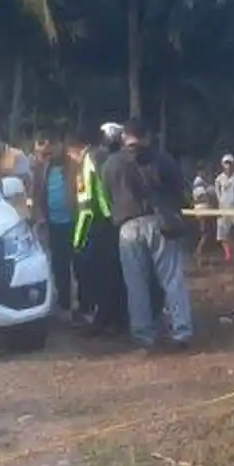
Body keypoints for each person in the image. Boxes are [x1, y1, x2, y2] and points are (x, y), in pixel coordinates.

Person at [109, 118, 193, 352]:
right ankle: (181, 331)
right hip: (160, 222)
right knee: (172, 279)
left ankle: (143, 337)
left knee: (135, 284)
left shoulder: (112, 163)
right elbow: (179, 189)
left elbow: (108, 193)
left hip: (127, 226)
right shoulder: (162, 159)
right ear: (146, 136)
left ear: (124, 136)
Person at [72, 122, 127, 335]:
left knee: (99, 277)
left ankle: (101, 321)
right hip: (117, 222)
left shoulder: (89, 160)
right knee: (116, 275)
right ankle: (118, 320)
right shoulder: (116, 158)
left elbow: (86, 206)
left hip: (99, 227)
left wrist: (77, 240)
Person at [31, 136, 77, 318]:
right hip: (53, 223)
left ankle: (83, 304)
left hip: (75, 222)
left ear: (60, 145)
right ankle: (64, 302)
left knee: (80, 264)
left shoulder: (74, 166)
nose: (46, 155)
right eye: (42, 153)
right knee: (59, 264)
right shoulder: (42, 169)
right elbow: (35, 195)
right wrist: (38, 217)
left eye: (49, 151)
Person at [191, 162, 218, 266]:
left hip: (207, 209)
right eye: (202, 171)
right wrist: (211, 199)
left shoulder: (204, 182)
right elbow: (202, 197)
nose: (204, 172)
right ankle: (199, 252)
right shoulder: (198, 182)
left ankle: (202, 253)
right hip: (202, 210)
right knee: (205, 232)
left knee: (208, 232)